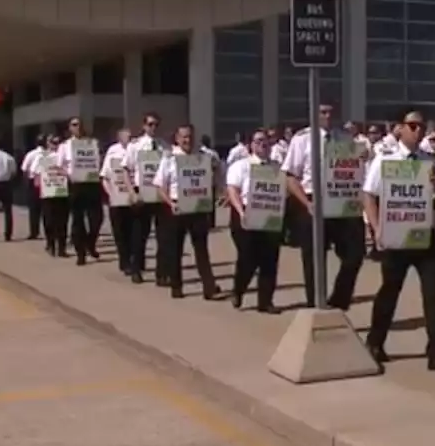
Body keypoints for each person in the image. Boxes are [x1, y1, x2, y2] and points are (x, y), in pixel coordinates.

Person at [362, 110, 435, 374]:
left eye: (421, 126)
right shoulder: (385, 160)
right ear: (400, 129)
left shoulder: (430, 160)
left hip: (425, 236)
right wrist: (377, 229)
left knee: (433, 296)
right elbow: (369, 195)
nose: (418, 131)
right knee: (389, 292)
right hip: (395, 235)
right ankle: (375, 342)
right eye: (413, 126)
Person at [281, 103, 365, 310]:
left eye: (331, 112)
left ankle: (339, 299)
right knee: (313, 257)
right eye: (323, 112)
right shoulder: (302, 140)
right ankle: (315, 304)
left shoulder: (346, 139)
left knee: (355, 253)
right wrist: (307, 203)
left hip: (341, 201)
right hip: (312, 200)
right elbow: (290, 176)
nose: (328, 116)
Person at [154, 124, 221, 301]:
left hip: (197, 208)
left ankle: (209, 286)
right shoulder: (169, 159)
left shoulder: (203, 157)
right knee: (175, 250)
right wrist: (170, 203)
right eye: (183, 137)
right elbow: (160, 187)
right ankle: (176, 285)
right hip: (176, 208)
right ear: (177, 139)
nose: (187, 140)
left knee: (201, 250)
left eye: (190, 136)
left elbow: (216, 172)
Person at [225, 129, 282, 314]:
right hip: (245, 215)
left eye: (265, 141)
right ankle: (238, 290)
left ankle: (265, 301)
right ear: (251, 145)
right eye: (258, 141)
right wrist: (241, 212)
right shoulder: (241, 166)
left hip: (269, 216)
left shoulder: (276, 167)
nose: (262, 145)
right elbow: (232, 190)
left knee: (269, 260)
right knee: (248, 258)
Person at [124, 113, 168, 285]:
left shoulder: (165, 147)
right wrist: (131, 193)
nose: (153, 128)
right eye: (150, 124)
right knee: (139, 235)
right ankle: (136, 269)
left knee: (163, 237)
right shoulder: (135, 146)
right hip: (141, 193)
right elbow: (126, 169)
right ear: (144, 126)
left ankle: (161, 274)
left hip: (159, 195)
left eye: (156, 124)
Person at [56, 116, 104, 265]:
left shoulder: (92, 143)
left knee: (97, 218)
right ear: (70, 128)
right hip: (76, 184)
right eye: (75, 125)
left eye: (80, 124)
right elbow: (59, 167)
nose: (78, 127)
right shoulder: (65, 146)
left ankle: (91, 242)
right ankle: (80, 253)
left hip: (92, 184)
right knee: (78, 220)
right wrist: (69, 175)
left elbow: (99, 161)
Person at [102, 129, 134, 275]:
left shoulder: (136, 151)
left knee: (133, 232)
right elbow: (105, 176)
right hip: (117, 199)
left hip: (133, 200)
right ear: (119, 138)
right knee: (120, 233)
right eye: (126, 136)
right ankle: (124, 260)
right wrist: (111, 194)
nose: (129, 139)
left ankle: (134, 259)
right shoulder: (112, 152)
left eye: (131, 136)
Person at [36, 136, 70, 257]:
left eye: (57, 142)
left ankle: (62, 248)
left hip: (62, 193)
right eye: (52, 142)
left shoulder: (65, 158)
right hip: (48, 194)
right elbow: (37, 174)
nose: (55, 145)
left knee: (62, 222)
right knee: (49, 221)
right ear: (47, 144)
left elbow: (71, 173)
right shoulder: (43, 157)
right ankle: (50, 244)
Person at [19, 137, 47, 241]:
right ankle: (48, 230)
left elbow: (25, 170)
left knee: (34, 209)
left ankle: (34, 232)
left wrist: (26, 183)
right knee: (46, 208)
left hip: (33, 182)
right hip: (46, 182)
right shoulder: (48, 154)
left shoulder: (30, 154)